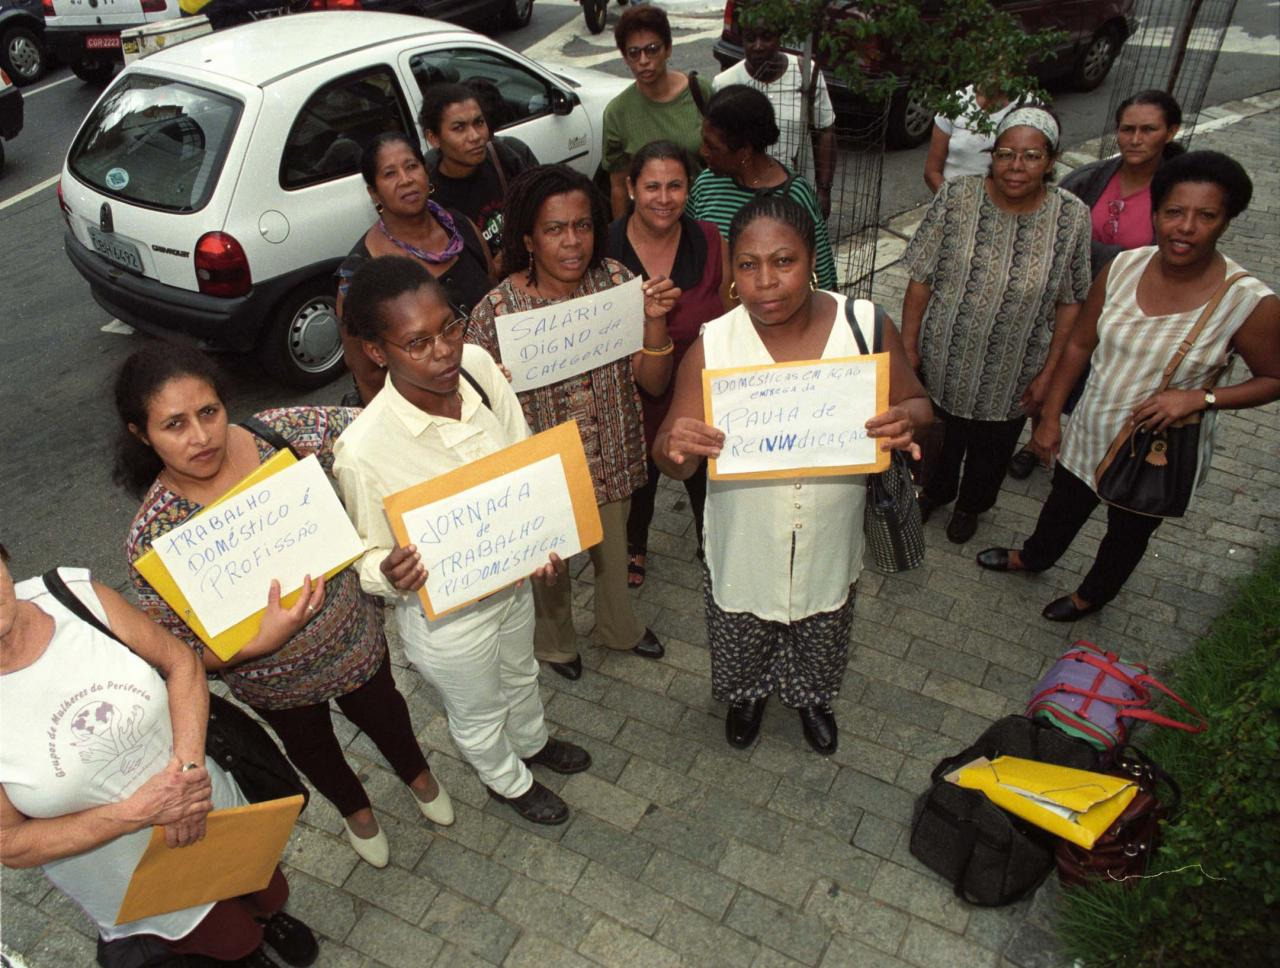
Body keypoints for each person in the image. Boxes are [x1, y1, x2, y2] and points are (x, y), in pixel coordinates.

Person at [116, 345, 452, 871]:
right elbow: (171, 655)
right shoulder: (153, 538)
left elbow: (381, 430)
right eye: (174, 424)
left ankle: (420, 776)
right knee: (312, 747)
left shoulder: (281, 435)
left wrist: (457, 392)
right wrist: (257, 645)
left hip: (353, 641)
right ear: (141, 434)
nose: (200, 437)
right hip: (273, 682)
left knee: (388, 713)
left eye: (209, 412)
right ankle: (356, 811)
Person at [654, 195, 932, 754]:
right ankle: (748, 694)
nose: (766, 282)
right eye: (749, 265)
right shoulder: (715, 345)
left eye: (784, 261)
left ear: (812, 261)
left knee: (824, 624)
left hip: (830, 530)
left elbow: (919, 404)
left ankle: (810, 696)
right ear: (733, 271)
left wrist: (907, 421)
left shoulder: (862, 326)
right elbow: (665, 452)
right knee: (742, 628)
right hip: (746, 536)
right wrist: (676, 445)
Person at [333, 256, 593, 826]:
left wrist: (541, 536)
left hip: (512, 583)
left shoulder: (478, 368)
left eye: (449, 327)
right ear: (379, 353)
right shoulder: (364, 449)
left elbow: (523, 457)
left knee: (521, 671)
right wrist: (389, 570)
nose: (444, 351)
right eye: (417, 343)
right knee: (477, 709)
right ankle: (507, 780)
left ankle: (532, 743)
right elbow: (362, 558)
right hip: (447, 620)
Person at [976, 151, 1280, 620]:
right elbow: (1079, 345)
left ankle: (1091, 596)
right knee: (1063, 503)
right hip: (1092, 425)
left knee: (1128, 531)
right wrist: (1051, 417)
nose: (1186, 227)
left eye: (1206, 216)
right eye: (1174, 212)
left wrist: (1201, 398)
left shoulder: (1247, 302)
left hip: (1157, 450)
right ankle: (1034, 557)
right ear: (1156, 213)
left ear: (1226, 221)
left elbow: (1273, 379)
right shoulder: (1122, 268)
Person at [0, 542, 318, 968]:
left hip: (207, 804)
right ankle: (252, 950)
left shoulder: (73, 596)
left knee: (264, 884)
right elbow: (11, 844)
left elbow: (180, 663)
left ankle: (268, 919)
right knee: (226, 940)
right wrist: (139, 812)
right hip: (130, 869)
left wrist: (188, 772)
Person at [467, 164, 680, 681]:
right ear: (528, 239)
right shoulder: (497, 311)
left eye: (582, 226)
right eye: (554, 229)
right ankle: (556, 644)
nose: (572, 242)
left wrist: (653, 321)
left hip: (609, 452)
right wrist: (490, 384)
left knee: (613, 550)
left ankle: (618, 627)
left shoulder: (616, 283)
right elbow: (472, 413)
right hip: (542, 473)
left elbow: (652, 383)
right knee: (550, 568)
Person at [900, 105, 1092, 545]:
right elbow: (920, 276)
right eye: (1005, 154)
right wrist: (908, 344)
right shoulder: (957, 197)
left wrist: (1049, 373)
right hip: (944, 354)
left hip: (1015, 367)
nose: (1016, 167)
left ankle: (971, 507)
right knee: (940, 437)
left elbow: (1070, 301)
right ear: (992, 157)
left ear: (1050, 160)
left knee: (993, 448)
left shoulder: (1071, 217)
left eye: (1030, 156)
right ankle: (935, 492)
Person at [1008, 91, 1184, 480]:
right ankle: (1038, 444)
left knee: (1102, 388)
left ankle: (1086, 455)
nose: (1135, 139)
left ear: (1170, 132)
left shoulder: (1179, 193)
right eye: (1127, 129)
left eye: (1148, 130)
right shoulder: (1087, 180)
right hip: (1070, 304)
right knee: (1048, 374)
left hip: (1128, 314)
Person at [606, 140, 729, 586]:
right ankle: (635, 545)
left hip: (697, 388)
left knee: (705, 474)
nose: (664, 197)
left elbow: (731, 313)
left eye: (675, 185)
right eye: (652, 186)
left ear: (689, 189)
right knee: (640, 477)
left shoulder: (711, 240)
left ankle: (711, 542)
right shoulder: (605, 248)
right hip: (632, 391)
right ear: (631, 187)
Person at [336, 132, 495, 405]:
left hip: (491, 387)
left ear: (426, 171)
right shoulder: (360, 273)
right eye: (389, 174)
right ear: (373, 192)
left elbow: (495, 300)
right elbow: (367, 374)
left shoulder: (461, 227)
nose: (406, 180)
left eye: (411, 166)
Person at [688, 84, 838, 291]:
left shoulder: (794, 195)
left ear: (744, 152)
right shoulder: (706, 183)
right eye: (704, 141)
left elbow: (823, 278)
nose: (703, 152)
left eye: (713, 147)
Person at [711, 16, 837, 218]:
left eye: (767, 37)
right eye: (750, 39)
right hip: (741, 196)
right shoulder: (725, 84)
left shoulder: (807, 73)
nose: (758, 46)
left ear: (780, 37)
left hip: (791, 195)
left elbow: (824, 131)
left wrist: (823, 191)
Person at [602, 4, 711, 219]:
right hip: (650, 226)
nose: (643, 61)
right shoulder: (617, 113)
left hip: (703, 217)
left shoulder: (699, 91)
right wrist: (619, 238)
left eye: (652, 49)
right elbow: (618, 186)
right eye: (634, 53)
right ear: (625, 58)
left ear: (668, 49)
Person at [420, 82, 540, 266]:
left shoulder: (508, 157)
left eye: (479, 123)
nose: (475, 136)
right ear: (434, 138)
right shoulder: (429, 197)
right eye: (459, 128)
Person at [923, 84, 1017, 193]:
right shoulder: (956, 101)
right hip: (952, 199)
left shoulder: (1028, 106)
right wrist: (952, 203)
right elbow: (932, 172)